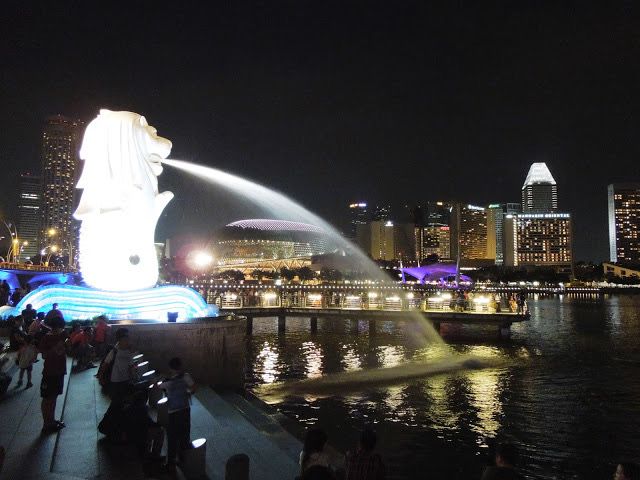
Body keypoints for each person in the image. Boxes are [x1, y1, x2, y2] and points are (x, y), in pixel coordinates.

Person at [159, 357, 196, 472]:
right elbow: (194, 388)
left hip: (173, 412)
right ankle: (184, 459)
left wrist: (160, 379)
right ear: (180, 366)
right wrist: (187, 393)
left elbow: (158, 386)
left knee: (172, 437)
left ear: (171, 368)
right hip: (185, 409)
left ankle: (170, 462)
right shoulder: (186, 376)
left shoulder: (168, 382)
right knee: (185, 434)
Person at [38, 316, 67, 433]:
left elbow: (67, 350)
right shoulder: (46, 338)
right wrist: (55, 349)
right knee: (47, 399)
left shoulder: (63, 336)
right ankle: (46, 424)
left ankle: (52, 420)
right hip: (50, 372)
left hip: (59, 371)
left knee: (54, 397)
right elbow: (44, 355)